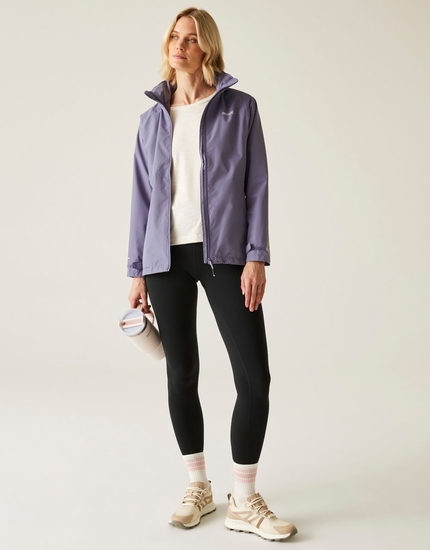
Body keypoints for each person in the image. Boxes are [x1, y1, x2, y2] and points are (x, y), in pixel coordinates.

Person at [126, 7, 297, 542]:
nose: (180, 46)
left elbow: (257, 185)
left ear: (208, 48)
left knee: (254, 378)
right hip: (165, 259)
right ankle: (197, 486)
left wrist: (256, 255)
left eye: (192, 38)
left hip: (225, 254)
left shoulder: (239, 109)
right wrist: (136, 270)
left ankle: (243, 500)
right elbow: (141, 198)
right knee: (181, 372)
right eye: (174, 37)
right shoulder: (151, 119)